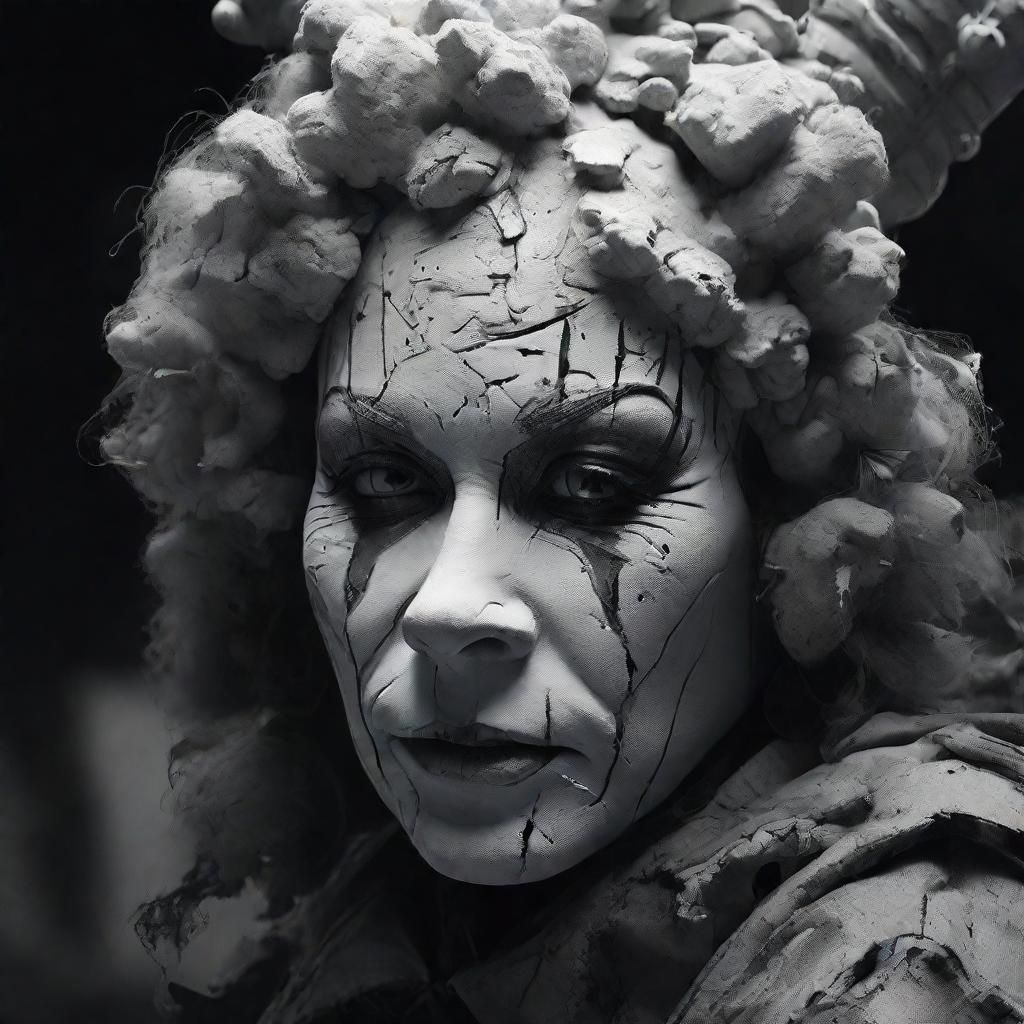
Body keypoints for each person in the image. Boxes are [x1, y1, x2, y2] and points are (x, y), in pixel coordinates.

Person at [102, 0, 1024, 1020]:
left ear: (789, 524)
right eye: (383, 484)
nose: (445, 608)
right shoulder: (386, 919)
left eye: (592, 487)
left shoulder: (898, 965)